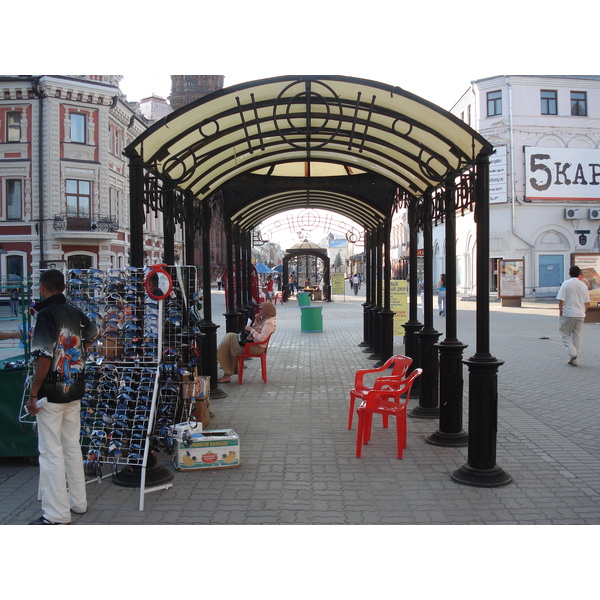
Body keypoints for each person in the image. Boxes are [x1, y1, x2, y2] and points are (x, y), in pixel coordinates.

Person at [26, 269, 98, 524]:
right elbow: (93, 333)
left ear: (43, 288)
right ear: (64, 287)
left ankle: (56, 514)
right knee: (70, 446)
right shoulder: (73, 311)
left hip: (52, 393)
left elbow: (44, 357)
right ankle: (78, 502)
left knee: (50, 451)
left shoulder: (46, 315)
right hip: (74, 389)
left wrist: (33, 393)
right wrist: (81, 351)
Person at [217, 301, 276, 383]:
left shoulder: (268, 323)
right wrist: (257, 321)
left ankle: (225, 369)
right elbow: (256, 330)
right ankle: (220, 356)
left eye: (261, 309)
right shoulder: (265, 320)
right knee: (229, 336)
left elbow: (261, 338)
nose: (259, 311)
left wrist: (251, 329)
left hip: (256, 347)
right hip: (252, 343)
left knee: (230, 345)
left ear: (267, 310)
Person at [556, 265, 590, 366]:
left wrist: (561, 312)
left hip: (568, 313)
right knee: (577, 335)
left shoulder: (566, 284)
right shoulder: (583, 285)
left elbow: (561, 300)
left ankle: (572, 353)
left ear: (569, 273)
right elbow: (587, 303)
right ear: (579, 274)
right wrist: (583, 311)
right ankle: (575, 359)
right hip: (580, 314)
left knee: (565, 333)